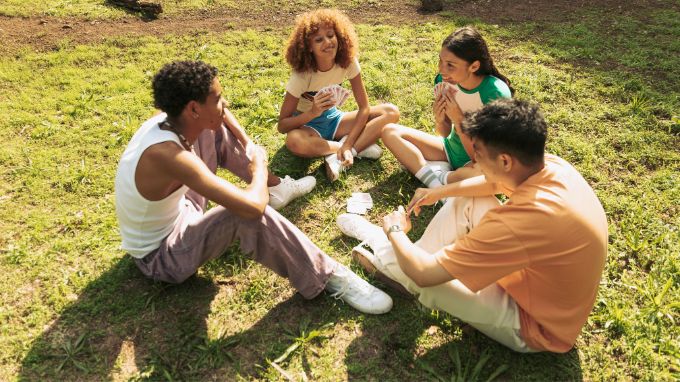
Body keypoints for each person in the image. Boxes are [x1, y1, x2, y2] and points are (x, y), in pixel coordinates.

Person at [114, 60, 392, 314]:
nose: (224, 103)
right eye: (218, 98)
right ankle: (328, 276)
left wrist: (247, 144)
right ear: (194, 108)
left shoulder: (172, 120)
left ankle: (277, 188)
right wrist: (258, 166)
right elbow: (251, 207)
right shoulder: (168, 155)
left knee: (217, 130)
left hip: (182, 209)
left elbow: (223, 117)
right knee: (245, 214)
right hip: (164, 255)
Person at [337, 99, 608, 352]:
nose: (473, 162)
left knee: (425, 279)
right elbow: (494, 183)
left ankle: (382, 247)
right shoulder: (550, 166)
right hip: (538, 286)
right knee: (465, 197)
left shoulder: (520, 222)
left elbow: (424, 274)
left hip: (535, 327)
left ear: (504, 160)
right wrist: (439, 192)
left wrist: (394, 230)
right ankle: (397, 261)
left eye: (478, 155)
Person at [382, 26, 512, 188]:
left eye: (450, 65)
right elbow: (444, 132)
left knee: (489, 176)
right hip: (449, 150)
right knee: (389, 131)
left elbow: (480, 157)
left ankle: (440, 176)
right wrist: (440, 119)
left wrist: (459, 120)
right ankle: (437, 182)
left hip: (479, 161)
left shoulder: (495, 93)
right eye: (441, 61)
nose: (442, 69)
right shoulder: (443, 82)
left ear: (474, 66)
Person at [278, 9, 400, 181]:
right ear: (308, 47)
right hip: (307, 126)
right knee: (294, 141)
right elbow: (282, 125)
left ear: (339, 36)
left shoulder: (347, 62)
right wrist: (313, 112)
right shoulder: (302, 75)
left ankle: (349, 150)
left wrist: (349, 144)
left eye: (330, 35)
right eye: (319, 39)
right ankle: (351, 148)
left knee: (390, 112)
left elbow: (364, 107)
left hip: (335, 119)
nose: (327, 42)